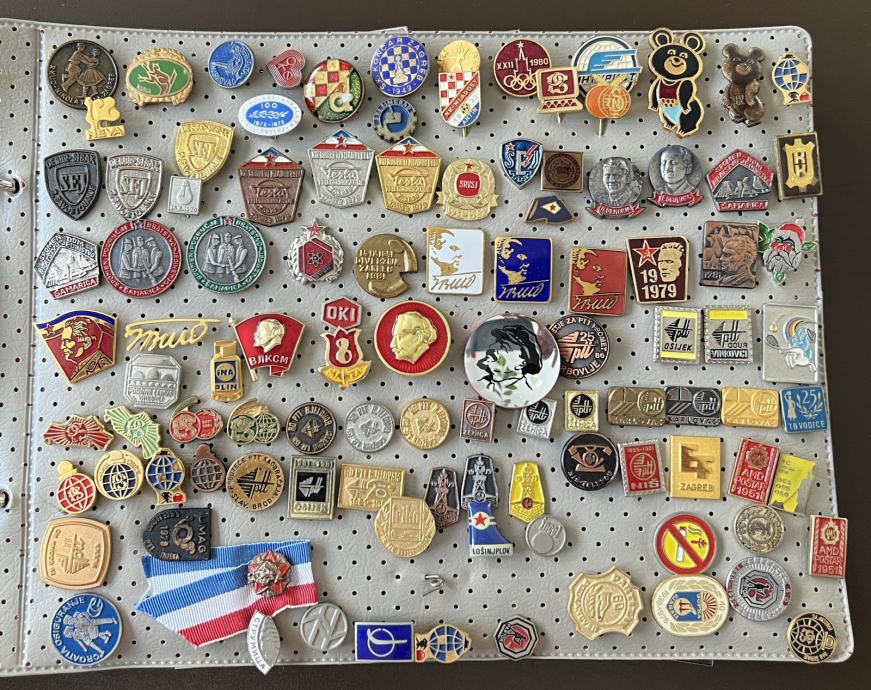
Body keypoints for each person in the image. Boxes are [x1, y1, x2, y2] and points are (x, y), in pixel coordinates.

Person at [476, 323, 543, 396]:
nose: (486, 362)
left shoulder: (526, 393)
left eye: (496, 356)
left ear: (521, 364)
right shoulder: (482, 384)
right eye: (489, 355)